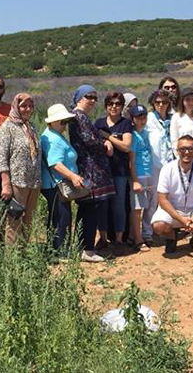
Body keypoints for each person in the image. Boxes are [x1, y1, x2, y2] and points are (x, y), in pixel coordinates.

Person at [69, 85, 116, 263]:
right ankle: (87, 249)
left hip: (89, 167)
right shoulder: (79, 116)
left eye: (95, 98)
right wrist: (105, 143)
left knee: (87, 209)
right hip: (90, 169)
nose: (93, 101)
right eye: (89, 97)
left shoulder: (79, 117)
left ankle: (83, 246)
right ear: (80, 98)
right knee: (91, 210)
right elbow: (89, 140)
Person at [0, 93, 41, 244]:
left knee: (28, 220)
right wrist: (6, 184)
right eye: (23, 106)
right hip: (17, 181)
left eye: (30, 106)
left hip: (33, 181)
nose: (27, 109)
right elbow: (1, 158)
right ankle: (12, 260)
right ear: (16, 106)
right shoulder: (7, 127)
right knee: (14, 221)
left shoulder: (31, 126)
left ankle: (25, 254)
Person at [40, 104, 82, 253]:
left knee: (59, 216)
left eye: (66, 121)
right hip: (56, 184)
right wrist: (73, 175)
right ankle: (60, 250)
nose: (65, 125)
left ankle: (58, 248)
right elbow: (55, 163)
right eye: (62, 121)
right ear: (52, 122)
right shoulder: (53, 138)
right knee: (61, 218)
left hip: (55, 184)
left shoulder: (52, 134)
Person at [94, 92, 133, 247]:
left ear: (122, 106)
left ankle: (118, 239)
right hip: (102, 171)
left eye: (117, 104)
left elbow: (126, 146)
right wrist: (105, 141)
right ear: (105, 106)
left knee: (119, 205)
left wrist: (108, 137)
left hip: (120, 171)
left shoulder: (125, 124)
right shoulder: (99, 123)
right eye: (110, 104)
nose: (114, 107)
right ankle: (103, 238)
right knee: (102, 205)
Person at [143, 89, 174, 243]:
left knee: (170, 197)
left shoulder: (173, 119)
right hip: (154, 164)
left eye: (164, 102)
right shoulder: (148, 119)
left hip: (170, 163)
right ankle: (147, 232)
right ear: (153, 103)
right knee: (153, 198)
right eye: (158, 102)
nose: (161, 105)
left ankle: (167, 228)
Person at [128, 104, 153, 250]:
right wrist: (135, 180)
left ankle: (134, 235)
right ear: (132, 119)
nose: (142, 120)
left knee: (145, 205)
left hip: (148, 172)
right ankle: (138, 239)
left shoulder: (145, 132)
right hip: (139, 173)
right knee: (137, 208)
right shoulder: (133, 136)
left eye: (144, 117)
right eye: (138, 117)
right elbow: (131, 160)